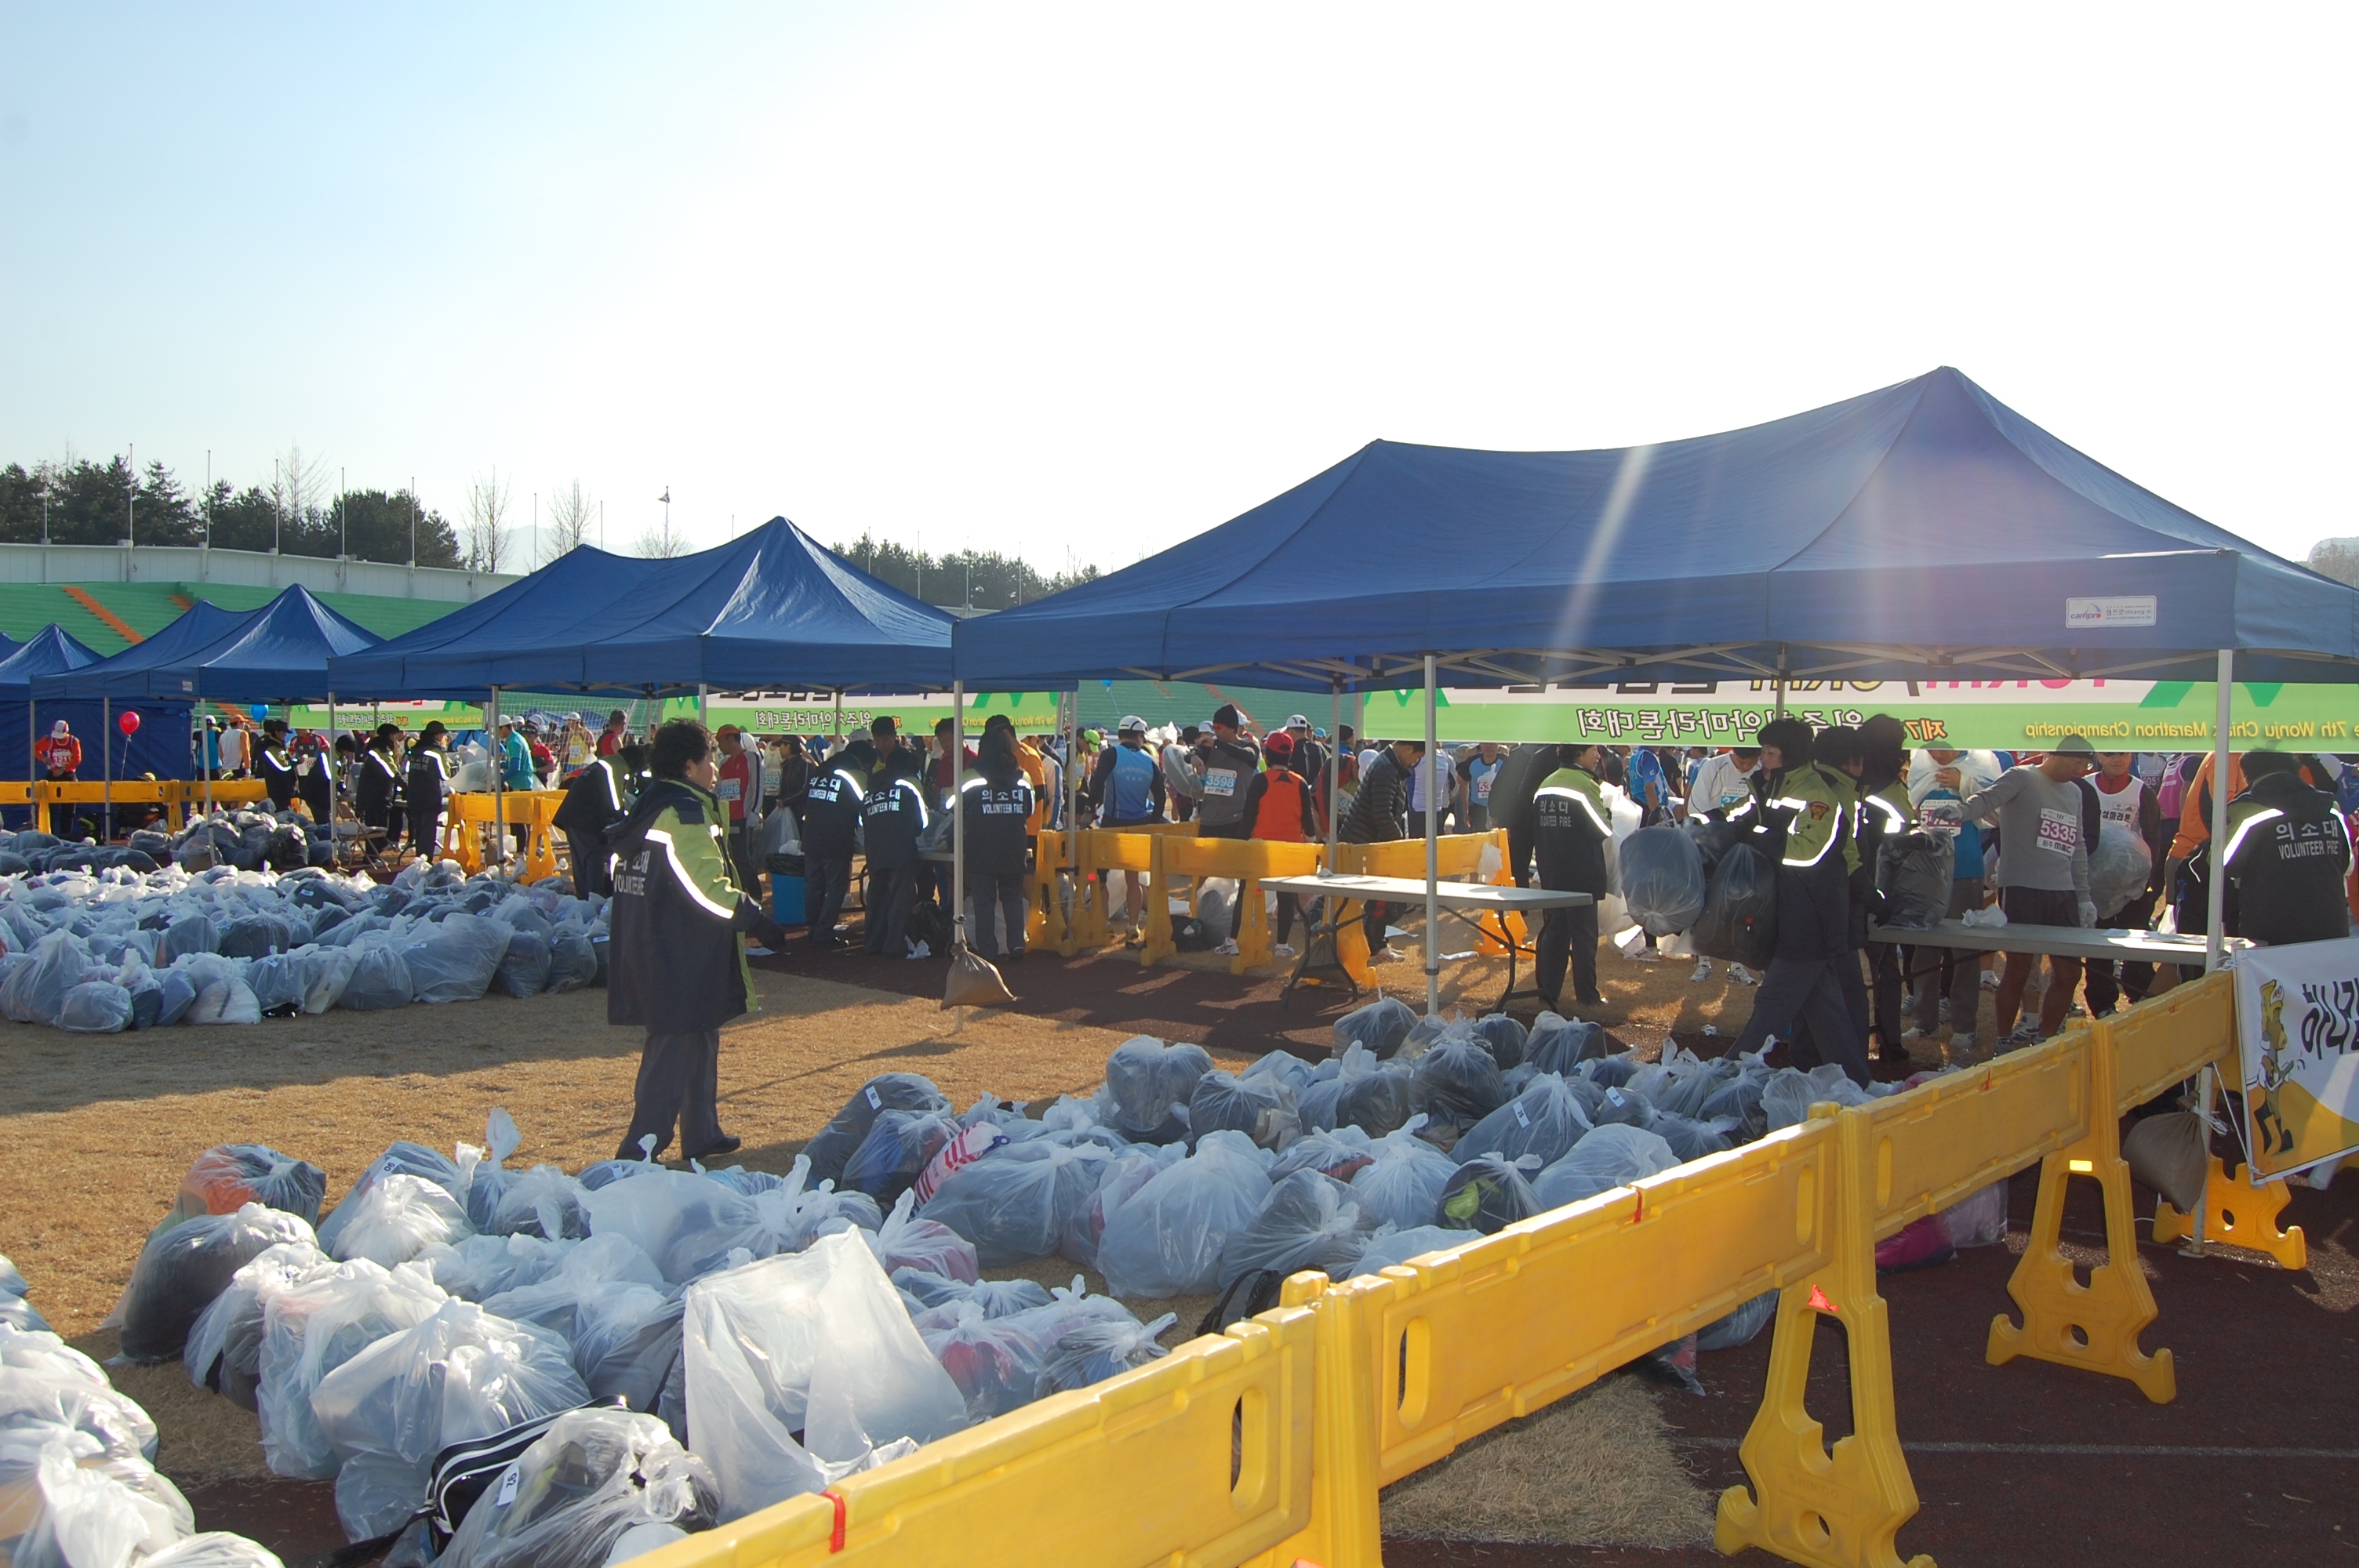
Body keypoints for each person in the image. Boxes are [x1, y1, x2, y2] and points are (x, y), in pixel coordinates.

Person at [608, 719, 791, 1163]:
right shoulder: (683, 814)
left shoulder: (649, 805)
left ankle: (702, 1133)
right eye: (711, 758)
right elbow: (706, 888)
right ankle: (638, 1152)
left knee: (700, 1037)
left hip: (655, 944)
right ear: (689, 766)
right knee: (673, 1048)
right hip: (678, 951)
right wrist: (755, 919)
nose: (716, 768)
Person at [1729, 718, 1870, 1086]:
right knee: (1826, 1009)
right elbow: (1741, 816)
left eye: (1770, 751)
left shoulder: (1817, 794)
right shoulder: (1775, 785)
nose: (1762, 757)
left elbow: (1807, 852)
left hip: (1810, 913)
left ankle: (1725, 1074)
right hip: (1796, 909)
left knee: (1772, 1003)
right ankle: (1857, 1082)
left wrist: (1756, 838)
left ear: (1789, 755)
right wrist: (1708, 825)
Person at [1957, 737, 2098, 1047]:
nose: (2079, 770)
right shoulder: (2021, 777)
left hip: (2062, 891)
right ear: (2053, 755)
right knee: (2019, 968)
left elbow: (2076, 845)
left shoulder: (2075, 792)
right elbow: (1987, 799)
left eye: (2085, 765)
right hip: (2022, 887)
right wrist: (1961, 812)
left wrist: (2084, 896)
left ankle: (2046, 1037)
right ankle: (2004, 1039)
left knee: (2069, 971)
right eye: (2076, 762)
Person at [1906, 745, 2002, 1051]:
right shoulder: (1920, 764)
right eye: (1933, 749)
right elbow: (1912, 805)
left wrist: (1965, 783)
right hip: (1928, 867)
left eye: (1945, 750)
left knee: (1964, 949)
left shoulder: (1983, 762)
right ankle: (1924, 1021)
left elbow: (1998, 813)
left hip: (1965, 866)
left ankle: (1964, 1025)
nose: (1939, 756)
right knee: (1925, 947)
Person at [2221, 750, 2353, 946]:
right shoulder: (2331, 808)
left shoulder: (2248, 810)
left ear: (2247, 775)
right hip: (2331, 929)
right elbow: (2346, 865)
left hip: (2272, 935)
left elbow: (2222, 865)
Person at [2081, 749, 2169, 1016]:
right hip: (2095, 882)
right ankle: (2102, 1004)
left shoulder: (2142, 792)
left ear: (2131, 757)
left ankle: (2140, 996)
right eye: (2109, 754)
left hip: (2132, 884)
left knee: (2136, 941)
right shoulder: (2084, 787)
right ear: (2099, 757)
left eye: (2123, 753)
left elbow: (2153, 838)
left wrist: (2149, 884)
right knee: (2099, 945)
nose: (2116, 759)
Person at [1852, 716, 1915, 1059]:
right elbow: (1904, 836)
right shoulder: (1891, 788)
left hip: (1842, 883)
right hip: (1879, 886)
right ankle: (1890, 1041)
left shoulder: (1844, 780)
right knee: (1885, 967)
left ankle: (1847, 1037)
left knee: (1841, 967)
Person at [1532, 743, 1612, 1009]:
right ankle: (1587, 996)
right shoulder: (1584, 785)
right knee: (1584, 938)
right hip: (1581, 875)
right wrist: (1609, 813)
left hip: (1552, 872)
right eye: (1594, 751)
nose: (1598, 756)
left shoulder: (1546, 783)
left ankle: (1547, 992)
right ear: (1579, 753)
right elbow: (1603, 829)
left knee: (1555, 933)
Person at [1683, 744, 1763, 984]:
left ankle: (1738, 965)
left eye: (1749, 763)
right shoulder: (1713, 767)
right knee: (1706, 902)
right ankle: (1703, 962)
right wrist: (1717, 830)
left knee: (1742, 905)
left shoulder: (1762, 771)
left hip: (1745, 847)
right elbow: (1696, 806)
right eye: (1740, 762)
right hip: (1712, 845)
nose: (1744, 767)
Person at [1341, 737, 1423, 962]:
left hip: (1366, 842)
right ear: (1408, 749)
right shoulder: (1387, 769)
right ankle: (1373, 946)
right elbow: (1382, 815)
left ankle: (1376, 943)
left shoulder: (1386, 764)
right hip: (1368, 845)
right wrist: (1400, 845)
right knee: (1385, 902)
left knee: (1383, 901)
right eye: (1417, 757)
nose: (1415, 762)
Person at [1241, 729, 1320, 956]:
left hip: (1261, 848)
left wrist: (1241, 842)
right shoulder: (1300, 782)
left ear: (1267, 755)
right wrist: (1312, 847)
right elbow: (1308, 823)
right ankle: (1282, 945)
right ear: (1290, 756)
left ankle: (1237, 940)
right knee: (1286, 899)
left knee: (1248, 894)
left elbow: (1248, 817)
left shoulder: (1260, 780)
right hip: (1291, 850)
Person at [962, 726, 1036, 963]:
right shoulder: (1022, 778)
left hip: (981, 847)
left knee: (984, 900)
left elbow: (953, 806)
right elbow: (1030, 808)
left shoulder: (971, 777)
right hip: (1014, 846)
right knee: (1012, 896)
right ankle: (1017, 944)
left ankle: (988, 950)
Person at [1085, 717, 1165, 927]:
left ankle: (1103, 924)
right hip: (1140, 825)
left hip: (1112, 824)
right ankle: (1133, 926)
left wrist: (1090, 808)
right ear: (1140, 736)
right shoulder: (1150, 760)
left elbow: (1097, 782)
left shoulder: (1111, 754)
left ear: (1120, 735)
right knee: (1133, 878)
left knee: (1099, 877)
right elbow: (1161, 795)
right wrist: (1152, 820)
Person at [554, 740, 645, 898]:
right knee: (593, 858)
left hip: (574, 816)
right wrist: (625, 824)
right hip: (584, 820)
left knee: (581, 861)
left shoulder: (609, 762)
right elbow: (615, 803)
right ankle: (594, 897)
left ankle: (584, 899)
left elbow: (624, 791)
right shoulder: (614, 768)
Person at [862, 757, 932, 958]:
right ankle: (894, 945)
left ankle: (872, 943)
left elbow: (863, 823)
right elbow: (920, 824)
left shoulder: (868, 797)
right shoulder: (907, 791)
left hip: (875, 854)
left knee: (877, 899)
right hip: (902, 853)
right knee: (900, 901)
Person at [798, 745, 867, 950]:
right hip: (836, 841)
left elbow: (805, 804)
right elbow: (861, 808)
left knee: (814, 885)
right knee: (836, 888)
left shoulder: (816, 778)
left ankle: (813, 928)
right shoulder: (848, 780)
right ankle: (824, 931)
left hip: (811, 839)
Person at [1484, 742, 1557, 888]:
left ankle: (1520, 899)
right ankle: (1551, 901)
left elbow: (1500, 785)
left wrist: (1496, 813)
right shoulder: (1558, 754)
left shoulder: (1518, 755)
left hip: (1519, 815)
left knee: (1519, 863)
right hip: (1551, 815)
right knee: (1550, 863)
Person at [1194, 703, 1261, 840]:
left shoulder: (1249, 746)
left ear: (1232, 728)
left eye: (1218, 727)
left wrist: (1217, 744)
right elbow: (1195, 753)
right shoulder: (1210, 747)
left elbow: (1247, 755)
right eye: (1214, 727)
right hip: (1209, 821)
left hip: (1236, 822)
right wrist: (1193, 756)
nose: (1215, 731)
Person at [714, 726, 759, 895]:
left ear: (731, 739)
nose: (719, 746)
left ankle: (755, 895)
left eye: (721, 741)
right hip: (726, 818)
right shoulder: (724, 764)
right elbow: (719, 789)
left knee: (743, 859)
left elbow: (757, 785)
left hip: (744, 817)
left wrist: (754, 811)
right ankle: (737, 893)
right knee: (729, 859)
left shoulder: (751, 758)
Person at [354, 723, 405, 852]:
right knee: (377, 828)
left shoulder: (380, 747)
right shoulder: (379, 750)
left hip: (378, 796)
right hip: (375, 797)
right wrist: (405, 786)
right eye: (395, 735)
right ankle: (372, 857)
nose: (396, 739)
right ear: (389, 735)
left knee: (379, 827)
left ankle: (374, 855)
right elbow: (392, 771)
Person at [405, 722, 451, 858]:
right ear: (437, 735)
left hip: (413, 795)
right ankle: (426, 862)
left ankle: (420, 859)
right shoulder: (436, 751)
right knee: (428, 831)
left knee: (419, 830)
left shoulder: (414, 749)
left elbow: (406, 770)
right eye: (443, 734)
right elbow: (445, 775)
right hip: (430, 796)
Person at [35, 720, 81, 838]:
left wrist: (64, 769)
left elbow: (77, 759)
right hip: (53, 775)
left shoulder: (73, 741)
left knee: (68, 810)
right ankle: (49, 836)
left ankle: (65, 836)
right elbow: (35, 748)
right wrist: (42, 758)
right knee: (50, 808)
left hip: (68, 776)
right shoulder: (48, 740)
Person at [1458, 742, 1506, 832]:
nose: (1488, 746)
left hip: (1501, 809)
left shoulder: (1506, 761)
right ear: (1480, 745)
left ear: (1498, 744)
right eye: (1485, 743)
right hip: (1478, 809)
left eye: (1492, 743)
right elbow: (1462, 782)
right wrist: (1465, 811)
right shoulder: (1472, 761)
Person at [256, 720, 299, 812]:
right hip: (278, 787)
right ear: (277, 732)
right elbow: (283, 765)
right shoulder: (272, 747)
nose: (285, 735)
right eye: (284, 732)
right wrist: (297, 761)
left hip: (282, 787)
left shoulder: (277, 746)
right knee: (281, 811)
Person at [297, 731, 333, 828]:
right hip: (305, 778)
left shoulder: (319, 739)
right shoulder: (295, 741)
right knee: (319, 812)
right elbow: (291, 756)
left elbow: (327, 754)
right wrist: (297, 761)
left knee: (321, 814)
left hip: (319, 781)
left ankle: (324, 829)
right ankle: (324, 830)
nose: (297, 730)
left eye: (300, 728)